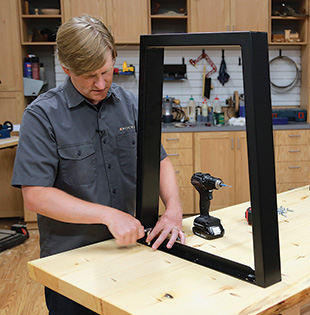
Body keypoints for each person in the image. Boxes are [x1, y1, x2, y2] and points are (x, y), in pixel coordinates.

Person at [12, 15, 185, 314]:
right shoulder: (41, 116)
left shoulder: (130, 104)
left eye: (106, 71)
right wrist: (109, 216)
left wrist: (173, 209)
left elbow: (159, 160)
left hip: (134, 252)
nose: (101, 83)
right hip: (72, 263)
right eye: (89, 76)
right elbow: (35, 195)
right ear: (67, 69)